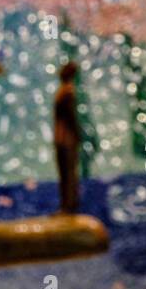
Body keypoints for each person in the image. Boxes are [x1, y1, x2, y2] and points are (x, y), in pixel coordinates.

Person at [54, 60, 81, 214]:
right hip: (66, 138)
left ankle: (69, 205)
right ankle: (68, 204)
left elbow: (70, 116)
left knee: (68, 173)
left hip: (64, 138)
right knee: (68, 173)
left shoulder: (65, 91)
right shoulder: (67, 91)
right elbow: (71, 117)